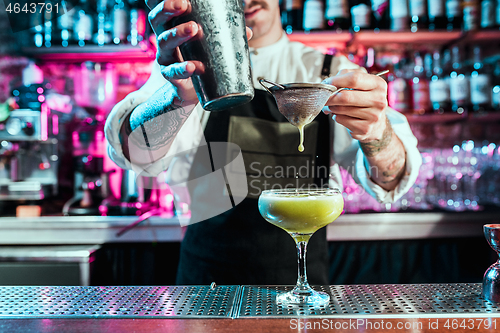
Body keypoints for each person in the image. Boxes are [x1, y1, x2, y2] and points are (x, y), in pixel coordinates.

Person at [105, 0, 422, 285]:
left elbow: (391, 178)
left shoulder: (330, 72)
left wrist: (377, 132)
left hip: (301, 285)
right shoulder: (187, 67)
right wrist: (177, 98)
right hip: (207, 287)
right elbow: (134, 152)